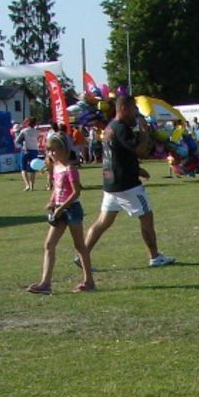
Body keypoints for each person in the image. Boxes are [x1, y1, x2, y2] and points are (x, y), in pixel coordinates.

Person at [81, 95, 176, 269]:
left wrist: (137, 169)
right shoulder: (121, 128)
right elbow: (139, 150)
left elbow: (119, 155)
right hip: (127, 185)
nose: (136, 112)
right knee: (146, 217)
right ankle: (155, 256)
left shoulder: (111, 127)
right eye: (134, 108)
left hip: (112, 182)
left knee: (103, 222)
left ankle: (82, 255)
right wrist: (145, 132)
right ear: (124, 109)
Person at [27, 138, 94, 294]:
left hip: (72, 210)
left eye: (54, 150)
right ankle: (45, 283)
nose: (51, 153)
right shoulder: (55, 167)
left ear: (63, 150)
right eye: (49, 150)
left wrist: (62, 207)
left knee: (79, 246)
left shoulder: (70, 169)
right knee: (49, 244)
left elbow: (76, 192)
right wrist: (52, 202)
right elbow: (57, 189)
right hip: (59, 210)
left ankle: (89, 281)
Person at [14, 117, 40, 191]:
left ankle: (27, 184)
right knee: (33, 168)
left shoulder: (24, 131)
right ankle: (32, 186)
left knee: (23, 168)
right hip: (34, 150)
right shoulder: (37, 132)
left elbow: (17, 140)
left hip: (25, 150)